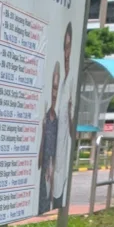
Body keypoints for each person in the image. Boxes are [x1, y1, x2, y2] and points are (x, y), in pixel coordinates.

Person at [52, 23, 74, 211]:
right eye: (64, 46)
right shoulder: (60, 80)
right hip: (54, 160)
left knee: (60, 196)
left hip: (64, 156)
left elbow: (73, 129)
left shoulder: (72, 79)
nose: (67, 51)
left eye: (69, 46)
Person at [38, 63, 60, 215]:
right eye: (53, 87)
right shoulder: (45, 119)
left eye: (56, 88)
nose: (54, 92)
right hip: (42, 177)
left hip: (51, 176)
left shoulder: (58, 121)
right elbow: (39, 161)